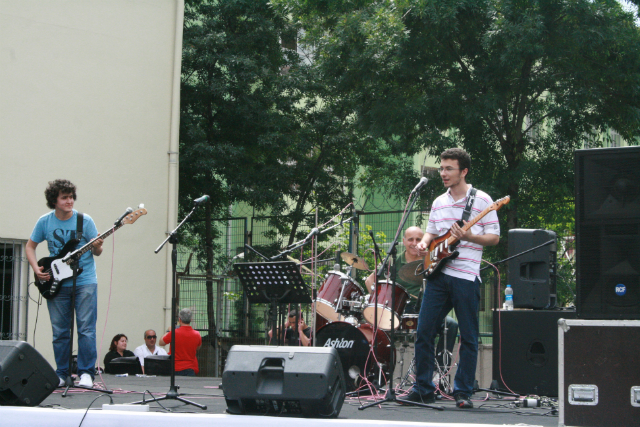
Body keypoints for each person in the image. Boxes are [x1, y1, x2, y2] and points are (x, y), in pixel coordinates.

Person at [407, 148, 500, 408]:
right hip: (438, 275)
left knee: (469, 336)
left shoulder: (482, 200)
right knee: (424, 332)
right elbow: (431, 232)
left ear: (464, 171)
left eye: (449, 169)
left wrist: (470, 237)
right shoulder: (438, 202)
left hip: (466, 277)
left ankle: (462, 392)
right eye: (442, 169)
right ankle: (423, 388)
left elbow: (494, 237)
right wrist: (425, 245)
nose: (443, 173)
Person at [25, 179, 104, 388]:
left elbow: (97, 252)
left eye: (71, 197)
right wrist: (36, 268)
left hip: (85, 280)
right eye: (64, 197)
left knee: (86, 328)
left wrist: (97, 246)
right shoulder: (45, 221)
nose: (69, 201)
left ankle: (86, 373)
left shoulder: (85, 221)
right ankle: (61, 373)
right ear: (54, 201)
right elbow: (30, 246)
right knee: (60, 330)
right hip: (56, 281)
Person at [365, 226, 459, 364]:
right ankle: (380, 368)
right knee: (375, 327)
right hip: (399, 311)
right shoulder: (393, 261)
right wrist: (380, 303)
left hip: (426, 309)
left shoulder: (431, 259)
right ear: (404, 241)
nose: (414, 243)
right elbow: (369, 281)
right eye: (410, 239)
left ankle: (439, 371)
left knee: (451, 325)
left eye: (418, 239)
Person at [160, 308, 202, 376]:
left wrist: (168, 331)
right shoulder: (197, 334)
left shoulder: (173, 333)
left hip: (175, 368)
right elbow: (198, 348)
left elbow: (161, 342)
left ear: (180, 319)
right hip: (190, 368)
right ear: (191, 320)